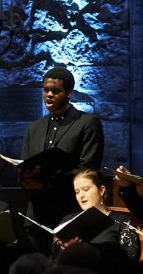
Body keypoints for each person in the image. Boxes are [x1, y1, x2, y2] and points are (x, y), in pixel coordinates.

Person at [20, 66, 104, 246]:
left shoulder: (87, 123)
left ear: (69, 93)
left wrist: (48, 183)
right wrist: (25, 179)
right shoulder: (34, 128)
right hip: (37, 216)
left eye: (55, 91)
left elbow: (87, 170)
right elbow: (24, 164)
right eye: (45, 90)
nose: (49, 95)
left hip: (69, 212)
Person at [57, 169, 141, 264]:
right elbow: (53, 263)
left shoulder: (122, 222)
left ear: (101, 190)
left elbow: (130, 263)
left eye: (85, 189)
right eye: (77, 192)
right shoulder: (67, 221)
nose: (81, 195)